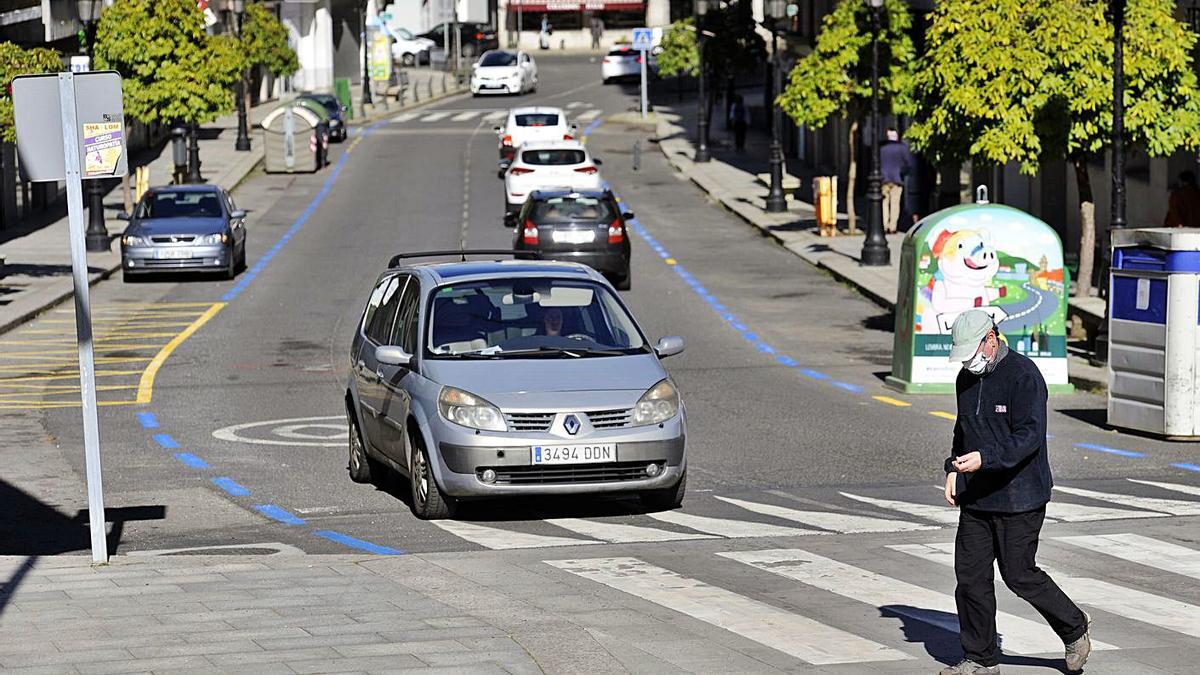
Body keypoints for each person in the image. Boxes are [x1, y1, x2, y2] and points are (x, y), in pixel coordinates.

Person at [940, 310, 1092, 675]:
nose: (968, 362)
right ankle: (980, 657)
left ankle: (1074, 628)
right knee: (971, 577)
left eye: (971, 352)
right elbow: (964, 430)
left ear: (991, 340)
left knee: (1019, 574)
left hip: (1019, 495)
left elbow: (1029, 436)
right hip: (977, 494)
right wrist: (952, 469)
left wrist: (985, 458)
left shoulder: (1024, 376)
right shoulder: (966, 377)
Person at [880, 127, 914, 234]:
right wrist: (902, 172)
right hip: (897, 179)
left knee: (884, 203)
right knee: (895, 204)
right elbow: (908, 164)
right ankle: (893, 227)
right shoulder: (902, 148)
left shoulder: (882, 148)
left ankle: (885, 225)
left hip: (884, 179)